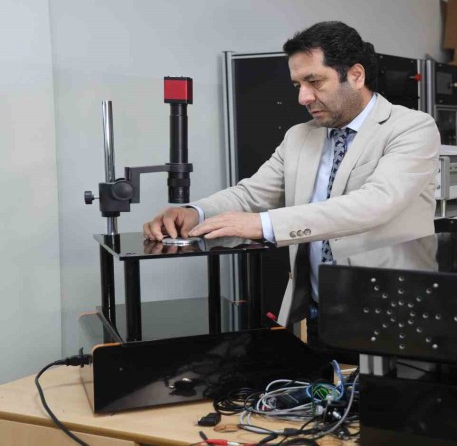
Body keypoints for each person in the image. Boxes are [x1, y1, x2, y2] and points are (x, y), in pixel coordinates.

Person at [143, 21, 440, 349]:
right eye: (298, 84)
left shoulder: (412, 128)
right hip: (319, 313)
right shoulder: (300, 136)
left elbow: (376, 203)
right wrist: (195, 213)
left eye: (314, 81)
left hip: (393, 314)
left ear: (356, 75)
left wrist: (264, 224)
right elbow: (252, 194)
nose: (303, 97)